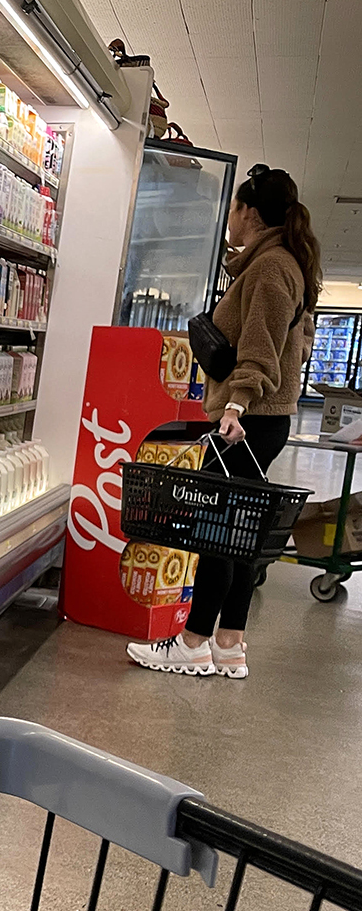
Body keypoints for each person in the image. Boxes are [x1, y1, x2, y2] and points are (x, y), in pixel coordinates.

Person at [128, 164, 321, 680]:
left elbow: (261, 348)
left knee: (217, 534)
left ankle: (193, 643)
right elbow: (295, 344)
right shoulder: (282, 265)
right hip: (260, 418)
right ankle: (230, 644)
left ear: (250, 214)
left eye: (234, 209)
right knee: (238, 534)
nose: (230, 220)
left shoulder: (270, 268)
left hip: (247, 421)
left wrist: (235, 406)